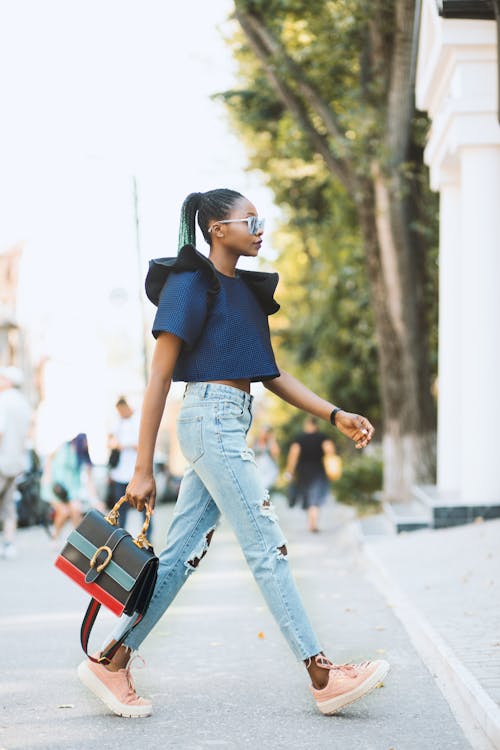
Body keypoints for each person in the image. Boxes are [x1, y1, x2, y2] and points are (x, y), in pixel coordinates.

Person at [77, 188, 388, 718]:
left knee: (178, 559)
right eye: (251, 220)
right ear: (217, 229)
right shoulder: (190, 283)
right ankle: (321, 674)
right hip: (208, 421)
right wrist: (142, 466)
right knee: (266, 545)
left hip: (229, 425)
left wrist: (335, 415)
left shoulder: (245, 292)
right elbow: (158, 377)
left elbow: (270, 374)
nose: (261, 228)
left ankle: (112, 660)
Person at [107, 397, 152, 540]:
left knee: (143, 508)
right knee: (121, 509)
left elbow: (144, 444)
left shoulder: (138, 419)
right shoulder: (117, 422)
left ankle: (146, 537)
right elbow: (109, 441)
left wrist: (125, 445)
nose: (121, 413)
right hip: (119, 473)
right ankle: (120, 537)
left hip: (136, 472)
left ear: (126, 407)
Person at [0, 366, 32, 559]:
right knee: (9, 505)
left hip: (1, 459)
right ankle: (9, 542)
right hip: (17, 462)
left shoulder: (3, 401)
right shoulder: (24, 403)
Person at [285, 416, 337, 533]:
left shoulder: (299, 439)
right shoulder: (323, 437)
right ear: (316, 425)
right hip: (319, 471)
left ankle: (311, 523)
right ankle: (313, 524)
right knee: (316, 498)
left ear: (307, 424)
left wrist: (290, 471)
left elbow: (293, 456)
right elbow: (330, 451)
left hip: (303, 472)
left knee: (308, 497)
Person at [45, 433, 94, 539]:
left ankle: (78, 539)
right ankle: (55, 536)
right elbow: (49, 458)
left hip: (72, 490)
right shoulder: (63, 447)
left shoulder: (81, 455)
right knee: (63, 512)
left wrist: (95, 499)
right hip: (56, 488)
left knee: (76, 510)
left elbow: (89, 479)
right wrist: (47, 477)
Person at [252, 424, 280, 491]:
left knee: (263, 490)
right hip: (257, 470)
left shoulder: (271, 443)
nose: (263, 433)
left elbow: (276, 454)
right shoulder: (255, 442)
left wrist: (272, 438)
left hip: (268, 472)